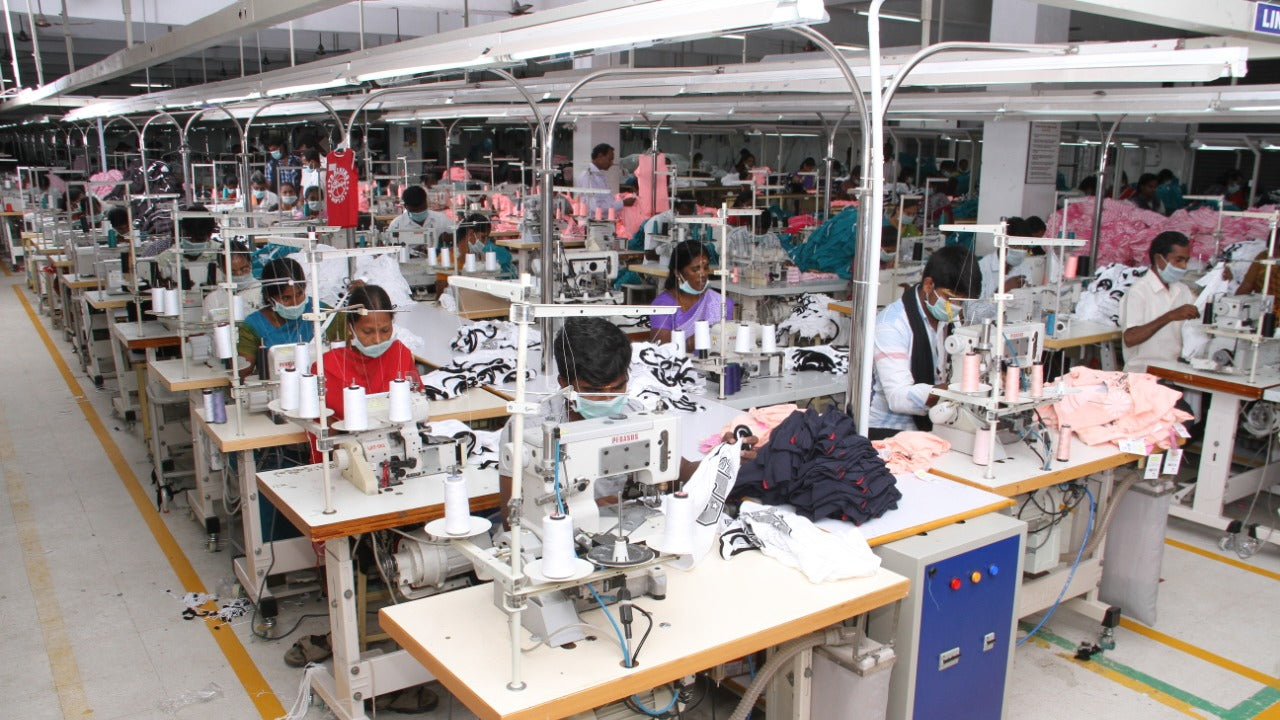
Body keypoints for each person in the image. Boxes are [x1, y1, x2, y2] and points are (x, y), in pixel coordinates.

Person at [497, 317, 756, 523]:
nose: (609, 400)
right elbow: (513, 520)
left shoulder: (634, 414)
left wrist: (724, 457)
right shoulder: (528, 429)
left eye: (618, 387)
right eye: (595, 391)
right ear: (564, 384)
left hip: (618, 530)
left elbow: (680, 473)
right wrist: (586, 510)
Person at [868, 245, 982, 440]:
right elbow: (899, 397)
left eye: (962, 302)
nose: (957, 307)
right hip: (890, 433)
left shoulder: (950, 320)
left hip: (938, 423)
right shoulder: (891, 325)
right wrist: (958, 387)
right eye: (951, 298)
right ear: (929, 285)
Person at [317, 283, 422, 419]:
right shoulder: (328, 366)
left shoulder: (400, 354)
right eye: (367, 331)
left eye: (385, 330)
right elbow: (326, 426)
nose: (378, 339)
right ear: (350, 327)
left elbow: (418, 401)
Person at [236, 257, 344, 377]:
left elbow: (348, 359)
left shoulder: (326, 315)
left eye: (299, 294)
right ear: (269, 296)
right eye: (286, 298)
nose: (295, 302)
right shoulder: (253, 326)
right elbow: (243, 372)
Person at [1121, 231, 1198, 373]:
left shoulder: (1182, 289)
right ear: (1158, 259)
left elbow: (1201, 318)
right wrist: (1169, 316)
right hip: (1142, 373)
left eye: (1186, 261)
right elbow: (1130, 338)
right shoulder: (1138, 291)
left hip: (1174, 369)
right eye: (1178, 260)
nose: (1184, 266)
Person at [649, 239, 733, 350]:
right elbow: (661, 350)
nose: (703, 274)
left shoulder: (721, 303)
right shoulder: (663, 305)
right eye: (695, 269)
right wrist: (690, 343)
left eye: (706, 267)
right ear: (677, 273)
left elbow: (729, 342)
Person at [576, 143, 634, 217]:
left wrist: (618, 199)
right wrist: (622, 203)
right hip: (594, 222)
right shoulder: (588, 176)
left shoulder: (598, 176)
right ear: (600, 156)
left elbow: (604, 200)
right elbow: (596, 207)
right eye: (609, 159)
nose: (611, 163)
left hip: (601, 221)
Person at [978, 217, 1030, 298]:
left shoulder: (1024, 266)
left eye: (1025, 247)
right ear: (1003, 242)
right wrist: (1002, 290)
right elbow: (975, 308)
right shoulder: (982, 268)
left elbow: (1029, 298)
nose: (1021, 250)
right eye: (1017, 245)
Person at [386, 185, 454, 247]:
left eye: (421, 208)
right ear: (406, 207)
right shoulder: (396, 225)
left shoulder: (441, 219)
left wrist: (451, 237)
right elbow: (391, 253)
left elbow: (457, 238)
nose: (419, 212)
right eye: (415, 210)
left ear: (426, 202)